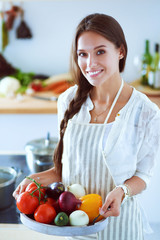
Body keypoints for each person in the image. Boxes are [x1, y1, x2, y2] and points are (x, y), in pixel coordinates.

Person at [13, 13, 160, 240]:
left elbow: (143, 175)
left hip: (120, 227)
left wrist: (122, 191)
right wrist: (32, 180)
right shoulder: (68, 101)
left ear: (120, 51)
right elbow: (64, 170)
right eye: (83, 54)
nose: (90, 64)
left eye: (100, 51)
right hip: (75, 226)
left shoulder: (145, 111)